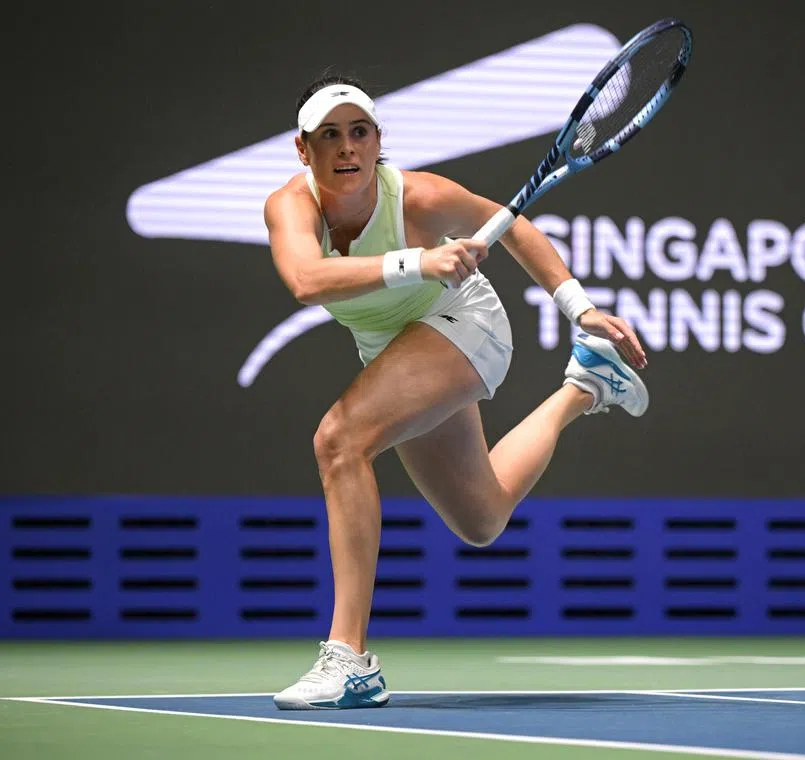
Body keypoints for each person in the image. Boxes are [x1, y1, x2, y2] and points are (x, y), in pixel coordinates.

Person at [265, 75, 649, 710]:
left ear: (377, 141)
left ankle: (348, 658)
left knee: (339, 442)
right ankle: (586, 384)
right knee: (481, 517)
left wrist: (577, 306)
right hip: (397, 347)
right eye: (328, 135)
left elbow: (516, 228)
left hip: (462, 324)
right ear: (303, 150)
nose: (346, 147)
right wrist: (420, 262)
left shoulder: (419, 195)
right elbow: (306, 280)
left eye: (359, 131)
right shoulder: (289, 206)